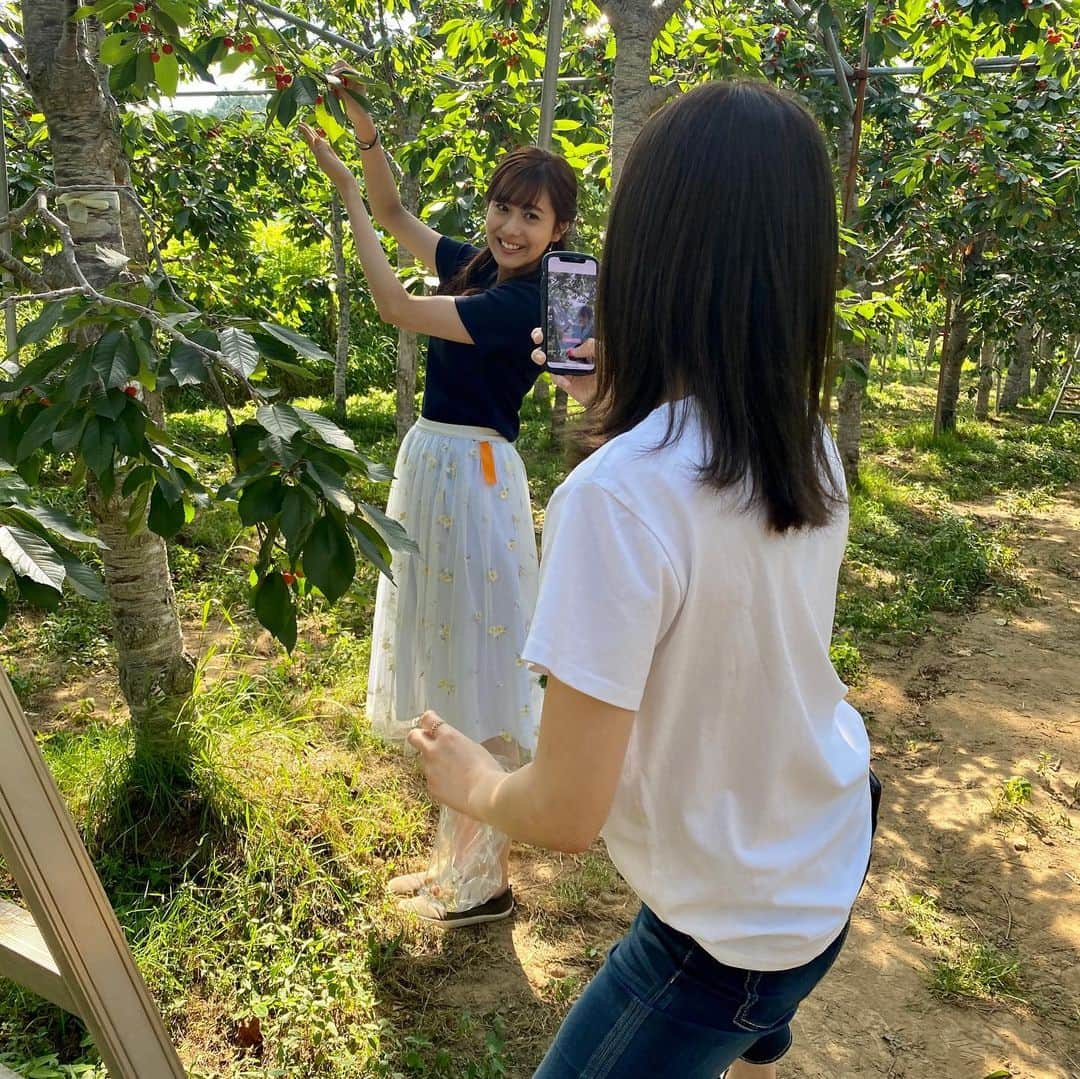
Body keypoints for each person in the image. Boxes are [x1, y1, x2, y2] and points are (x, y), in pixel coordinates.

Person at [405, 79, 880, 1077]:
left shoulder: (619, 498)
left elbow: (567, 812)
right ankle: (763, 1020)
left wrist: (476, 779)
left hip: (720, 942)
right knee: (761, 998)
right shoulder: (808, 444)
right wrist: (616, 405)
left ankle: (753, 1015)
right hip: (828, 841)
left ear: (649, 257)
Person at [299, 68, 578, 927]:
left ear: (559, 230)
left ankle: (483, 879)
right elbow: (398, 217)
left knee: (482, 677)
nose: (509, 225)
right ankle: (455, 860)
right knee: (450, 663)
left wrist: (344, 190)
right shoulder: (479, 268)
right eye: (503, 206)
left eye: (532, 216)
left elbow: (390, 301)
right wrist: (367, 138)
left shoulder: (520, 302)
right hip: (437, 472)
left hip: (478, 481)